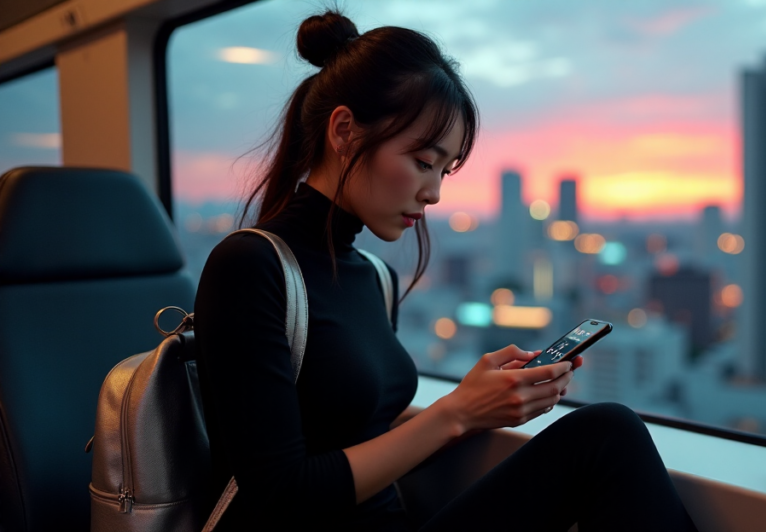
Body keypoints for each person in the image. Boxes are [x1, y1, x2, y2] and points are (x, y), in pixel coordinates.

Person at [194, 10, 698, 531]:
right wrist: (455, 412)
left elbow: (372, 443)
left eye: (444, 169)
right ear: (344, 130)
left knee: (604, 436)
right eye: (422, 160)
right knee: (608, 434)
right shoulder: (251, 266)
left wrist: (481, 404)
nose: (433, 193)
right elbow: (280, 496)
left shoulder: (373, 276)